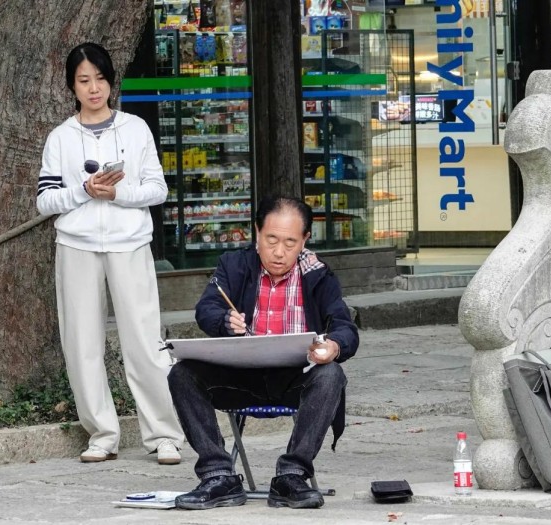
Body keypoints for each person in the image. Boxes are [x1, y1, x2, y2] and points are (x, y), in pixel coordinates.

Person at [36, 42, 184, 465]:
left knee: (144, 341)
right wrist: (84, 191)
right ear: (72, 86)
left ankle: (163, 434)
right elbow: (45, 201)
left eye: (100, 79)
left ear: (111, 81)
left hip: (130, 243)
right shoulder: (61, 137)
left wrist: (117, 193)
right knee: (82, 344)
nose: (94, 88)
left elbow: (158, 189)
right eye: (84, 81)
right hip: (76, 246)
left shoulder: (135, 129)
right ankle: (102, 433)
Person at [169, 195, 359, 510]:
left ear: (305, 240)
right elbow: (206, 309)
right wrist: (223, 320)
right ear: (257, 232)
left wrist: (333, 346)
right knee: (182, 373)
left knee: (331, 375)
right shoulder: (235, 264)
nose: (279, 252)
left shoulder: (318, 275)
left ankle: (292, 476)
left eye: (290, 242)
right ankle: (218, 475)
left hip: (294, 382)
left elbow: (344, 326)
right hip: (239, 378)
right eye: (271, 239)